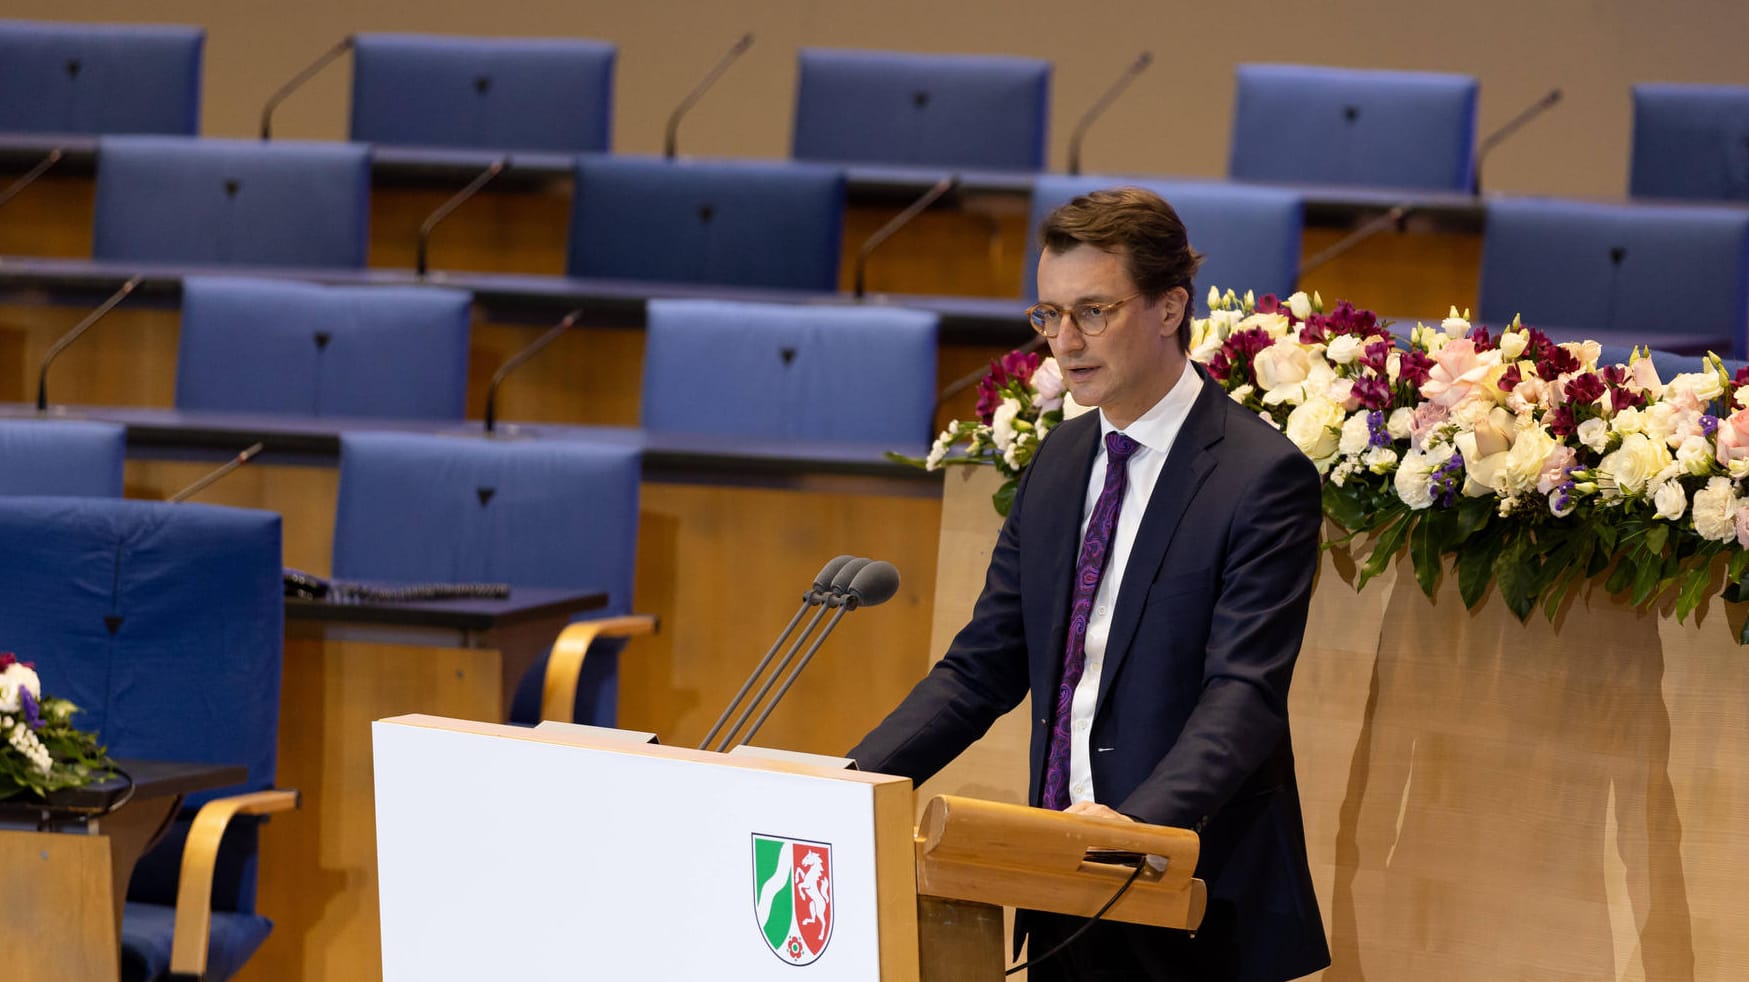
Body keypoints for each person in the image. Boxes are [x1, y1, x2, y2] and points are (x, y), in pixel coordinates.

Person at [849, 187, 1330, 982]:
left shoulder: (1259, 476)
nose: (1063, 342)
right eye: (1047, 316)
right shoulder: (1062, 460)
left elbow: (1242, 696)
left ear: (1170, 307)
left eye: (1092, 313)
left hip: (1192, 891)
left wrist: (1128, 830)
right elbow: (981, 667)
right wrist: (853, 784)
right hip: (1058, 886)